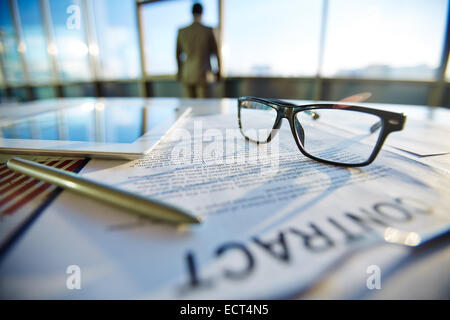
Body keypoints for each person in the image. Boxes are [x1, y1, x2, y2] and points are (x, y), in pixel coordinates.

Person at [176, 2, 221, 98]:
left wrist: (180, 72)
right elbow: (216, 53)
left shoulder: (182, 32)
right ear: (202, 12)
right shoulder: (208, 30)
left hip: (187, 74)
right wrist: (219, 72)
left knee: (190, 108)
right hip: (204, 75)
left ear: (191, 13)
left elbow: (177, 54)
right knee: (205, 109)